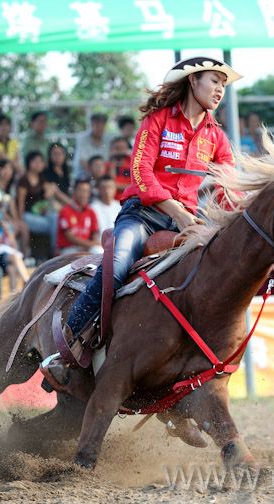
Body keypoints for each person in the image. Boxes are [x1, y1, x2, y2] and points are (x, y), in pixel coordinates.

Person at [58, 56, 240, 359]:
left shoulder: (216, 136)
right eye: (214, 81)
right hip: (142, 216)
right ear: (193, 81)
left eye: (223, 85)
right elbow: (141, 173)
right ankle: (67, 343)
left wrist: (232, 217)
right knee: (115, 268)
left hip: (186, 224)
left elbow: (228, 188)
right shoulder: (158, 121)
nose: (220, 90)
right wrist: (178, 212)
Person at [16, 151, 58, 257]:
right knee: (55, 224)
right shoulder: (24, 180)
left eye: (40, 161)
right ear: (29, 163)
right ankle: (56, 250)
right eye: (35, 161)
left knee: (55, 217)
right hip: (27, 216)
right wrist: (20, 221)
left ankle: (56, 248)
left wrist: (51, 190)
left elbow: (51, 194)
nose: (38, 164)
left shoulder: (42, 178)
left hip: (41, 216)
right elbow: (20, 203)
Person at [56, 180, 101, 256]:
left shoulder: (91, 212)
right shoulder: (65, 211)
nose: (84, 194)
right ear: (74, 192)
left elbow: (95, 234)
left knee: (98, 251)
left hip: (86, 248)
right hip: (69, 249)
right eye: (81, 191)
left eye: (87, 191)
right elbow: (70, 237)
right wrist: (90, 244)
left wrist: (92, 245)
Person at [72, 113, 111, 179]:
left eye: (102, 125)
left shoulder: (108, 139)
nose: (100, 128)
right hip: (83, 175)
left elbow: (107, 161)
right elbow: (83, 161)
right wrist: (95, 176)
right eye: (97, 125)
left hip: (102, 175)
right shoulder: (82, 138)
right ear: (92, 125)